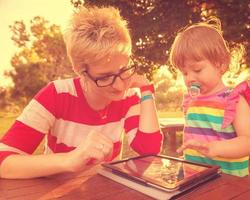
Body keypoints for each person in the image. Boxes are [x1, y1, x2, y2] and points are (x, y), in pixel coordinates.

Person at [0, 6, 162, 179]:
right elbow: (4, 161)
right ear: (80, 71)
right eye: (105, 77)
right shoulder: (56, 94)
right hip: (55, 191)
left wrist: (146, 91)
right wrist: (69, 160)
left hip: (104, 191)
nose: (120, 86)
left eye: (123, 70)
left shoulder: (129, 96)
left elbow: (148, 150)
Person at [169, 18, 250, 177]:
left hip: (228, 183)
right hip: (193, 177)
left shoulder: (233, 100)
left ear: (221, 64)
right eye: (185, 73)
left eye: (197, 70)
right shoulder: (191, 100)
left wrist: (215, 148)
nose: (189, 78)